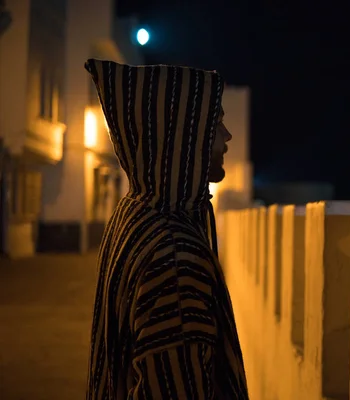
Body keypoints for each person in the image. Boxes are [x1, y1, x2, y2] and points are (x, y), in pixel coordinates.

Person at [84, 59, 248, 400]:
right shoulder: (175, 255)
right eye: (215, 123)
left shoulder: (137, 212)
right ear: (184, 135)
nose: (227, 136)